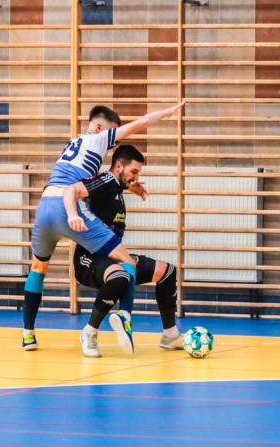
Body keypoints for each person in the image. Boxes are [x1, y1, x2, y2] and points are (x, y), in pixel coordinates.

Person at [22, 101, 185, 353]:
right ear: (99, 127)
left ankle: (28, 335)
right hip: (66, 205)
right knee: (126, 261)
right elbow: (141, 124)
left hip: (44, 207)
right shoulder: (96, 139)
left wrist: (131, 186)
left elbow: (102, 183)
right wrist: (168, 112)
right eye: (111, 137)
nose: (112, 145)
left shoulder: (73, 145)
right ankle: (124, 317)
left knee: (37, 268)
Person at [63, 145, 184, 357]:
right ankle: (89, 333)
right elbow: (71, 190)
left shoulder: (115, 187)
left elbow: (109, 191)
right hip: (89, 259)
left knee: (167, 271)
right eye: (133, 172)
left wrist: (129, 186)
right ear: (118, 166)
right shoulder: (108, 181)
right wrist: (73, 215)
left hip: (113, 258)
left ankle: (170, 334)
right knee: (122, 275)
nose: (136, 177)